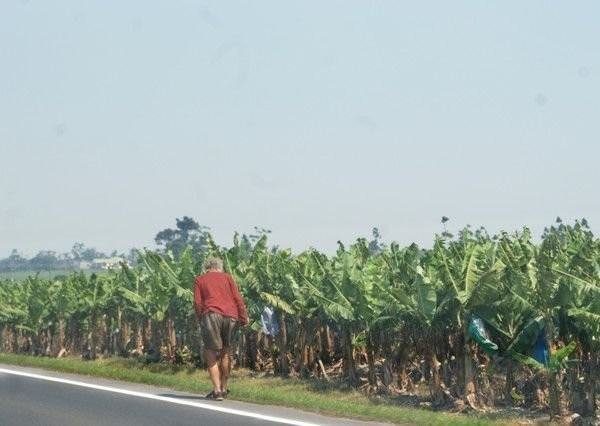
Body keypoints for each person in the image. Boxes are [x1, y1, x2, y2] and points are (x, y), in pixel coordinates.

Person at [194, 257, 248, 401]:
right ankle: (224, 388)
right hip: (231, 316)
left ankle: (217, 390)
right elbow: (238, 298)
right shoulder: (228, 277)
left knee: (210, 352)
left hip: (211, 314)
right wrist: (243, 317)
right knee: (226, 351)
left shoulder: (200, 280)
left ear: (206, 268)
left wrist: (200, 318)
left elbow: (198, 303)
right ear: (220, 267)